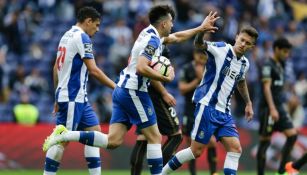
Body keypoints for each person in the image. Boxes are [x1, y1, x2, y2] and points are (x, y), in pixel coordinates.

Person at [43, 5, 219, 175]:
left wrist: (200, 28)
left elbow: (177, 37)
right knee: (155, 137)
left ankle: (67, 135)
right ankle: (65, 135)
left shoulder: (149, 33)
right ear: (164, 23)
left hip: (122, 90)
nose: (173, 25)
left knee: (113, 141)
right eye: (171, 22)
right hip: (134, 91)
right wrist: (165, 78)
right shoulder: (152, 40)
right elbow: (141, 68)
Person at [162, 26, 258, 175]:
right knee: (195, 151)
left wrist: (248, 102)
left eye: (248, 43)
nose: (243, 44)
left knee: (235, 148)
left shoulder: (245, 64)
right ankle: (162, 173)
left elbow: (241, 81)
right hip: (207, 106)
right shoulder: (221, 48)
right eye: (242, 40)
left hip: (224, 112)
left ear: (252, 46)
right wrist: (202, 30)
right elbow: (199, 44)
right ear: (236, 37)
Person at [43, 6, 116, 175]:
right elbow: (94, 70)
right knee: (61, 141)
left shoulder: (66, 35)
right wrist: (116, 87)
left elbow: (56, 68)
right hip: (72, 98)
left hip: (79, 98)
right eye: (96, 25)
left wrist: (56, 96)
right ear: (88, 21)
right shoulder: (82, 37)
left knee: (95, 134)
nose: (97, 30)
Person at [130, 45, 183, 175]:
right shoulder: (157, 47)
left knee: (144, 136)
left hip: (144, 95)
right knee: (176, 135)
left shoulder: (146, 44)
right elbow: (151, 72)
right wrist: (164, 93)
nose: (171, 24)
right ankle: (160, 172)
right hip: (156, 97)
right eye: (170, 22)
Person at [256, 37, 297, 175]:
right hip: (268, 108)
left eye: (288, 52)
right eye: (284, 51)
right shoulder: (268, 65)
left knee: (292, 136)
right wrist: (272, 108)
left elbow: (280, 88)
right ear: (277, 49)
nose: (287, 55)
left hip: (279, 106)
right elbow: (266, 88)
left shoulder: (281, 65)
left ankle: (282, 170)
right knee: (265, 142)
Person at [178, 49, 218, 175]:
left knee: (212, 142)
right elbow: (182, 89)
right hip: (189, 111)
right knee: (190, 145)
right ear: (194, 55)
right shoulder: (187, 68)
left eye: (203, 56)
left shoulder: (210, 69)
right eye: (199, 55)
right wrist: (197, 80)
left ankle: (213, 172)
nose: (201, 58)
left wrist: (203, 78)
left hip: (205, 111)